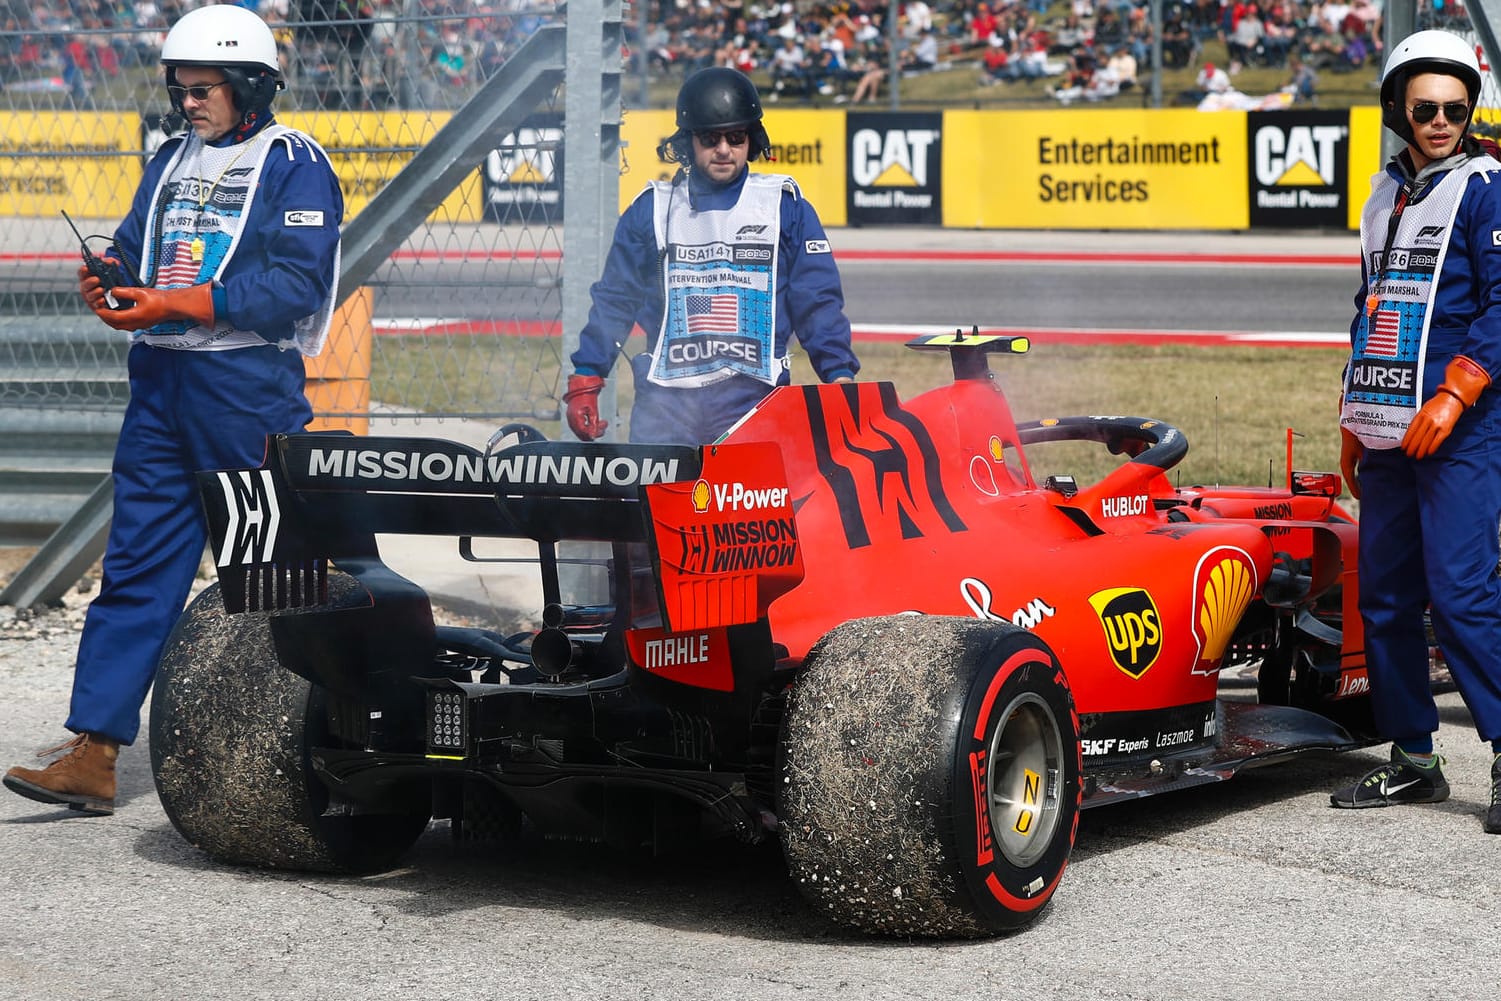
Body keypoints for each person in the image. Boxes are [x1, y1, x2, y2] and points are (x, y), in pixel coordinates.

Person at [2, 3, 342, 816]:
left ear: (253, 88)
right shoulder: (168, 159)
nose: (189, 102)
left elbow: (292, 285)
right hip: (160, 386)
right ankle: (95, 748)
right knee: (136, 567)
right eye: (181, 88)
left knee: (268, 572)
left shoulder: (294, 161)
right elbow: (130, 245)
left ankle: (297, 744)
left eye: (206, 89)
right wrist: (107, 277)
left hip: (245, 389)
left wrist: (175, 304)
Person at [1331, 29, 1501, 834]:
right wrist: (1349, 414)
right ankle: (1412, 759)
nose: (1441, 120)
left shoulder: (1484, 186)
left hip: (1460, 427)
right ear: (1399, 105)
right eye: (1427, 107)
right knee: (1386, 596)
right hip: (1384, 424)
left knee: (1460, 594)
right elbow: (1366, 310)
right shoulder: (1377, 193)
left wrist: (1457, 390)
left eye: (1455, 108)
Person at [563, 66, 858, 446]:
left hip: (757, 403)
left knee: (758, 507)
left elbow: (817, 302)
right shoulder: (651, 209)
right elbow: (616, 299)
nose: (723, 149)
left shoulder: (785, 208)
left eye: (735, 137)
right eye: (710, 138)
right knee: (655, 505)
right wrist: (587, 375)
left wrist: (838, 374)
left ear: (751, 139)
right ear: (689, 142)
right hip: (666, 407)